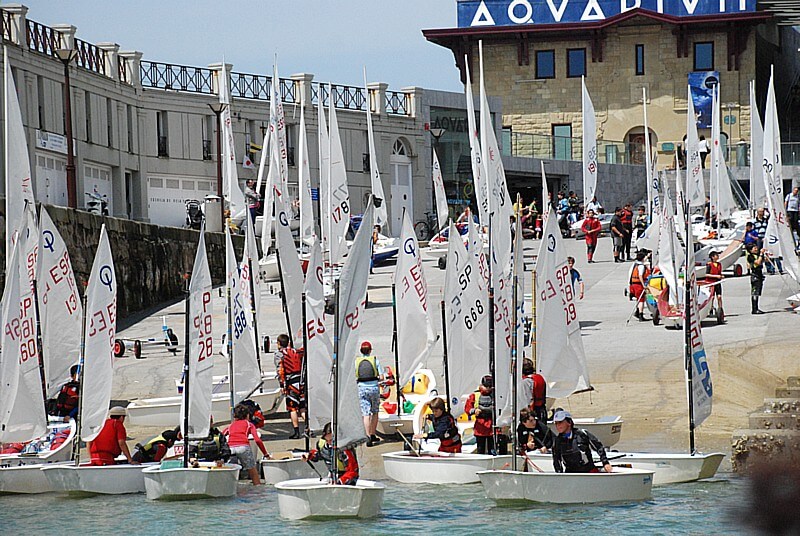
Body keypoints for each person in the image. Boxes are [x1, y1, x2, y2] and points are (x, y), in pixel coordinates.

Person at [551, 409, 612, 473]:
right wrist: (559, 475)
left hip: (589, 471)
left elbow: (599, 447)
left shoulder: (582, 434)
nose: (558, 426)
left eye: (560, 422)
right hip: (570, 474)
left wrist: (605, 463)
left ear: (569, 422)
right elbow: (557, 461)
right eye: (556, 423)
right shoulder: (557, 441)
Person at [224, 403, 270, 485]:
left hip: (230, 448)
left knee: (231, 472)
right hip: (243, 447)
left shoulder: (230, 426)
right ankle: (258, 489)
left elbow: (222, 436)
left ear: (235, 416)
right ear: (248, 415)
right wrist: (266, 454)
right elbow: (257, 440)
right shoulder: (249, 424)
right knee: (253, 471)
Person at [465, 375, 506, 455]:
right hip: (480, 426)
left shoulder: (496, 395)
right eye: (486, 386)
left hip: (492, 425)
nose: (488, 388)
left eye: (490, 386)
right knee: (480, 449)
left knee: (492, 449)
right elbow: (467, 409)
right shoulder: (475, 395)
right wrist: (474, 411)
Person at [276, 333, 306, 439]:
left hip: (291, 384)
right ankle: (309, 428)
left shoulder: (279, 354)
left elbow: (280, 371)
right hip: (301, 383)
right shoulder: (296, 351)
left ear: (279, 344)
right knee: (302, 408)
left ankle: (297, 432)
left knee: (292, 408)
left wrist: (282, 385)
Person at [356, 340, 384, 447]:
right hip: (374, 388)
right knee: (375, 412)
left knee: (365, 414)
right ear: (370, 350)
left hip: (362, 388)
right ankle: (373, 434)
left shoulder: (357, 361)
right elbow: (381, 377)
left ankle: (367, 437)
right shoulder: (375, 360)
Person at [629, 250, 651, 321]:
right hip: (639, 285)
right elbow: (640, 276)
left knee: (638, 299)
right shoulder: (641, 266)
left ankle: (637, 312)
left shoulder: (635, 264)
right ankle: (641, 315)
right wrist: (643, 285)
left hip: (633, 284)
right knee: (641, 300)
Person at [705, 250, 725, 321]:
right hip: (711, 283)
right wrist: (716, 276)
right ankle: (710, 309)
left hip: (718, 283)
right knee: (712, 297)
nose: (718, 256)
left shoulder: (719, 264)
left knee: (719, 297)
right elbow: (706, 274)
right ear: (712, 257)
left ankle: (720, 309)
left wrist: (721, 276)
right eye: (716, 255)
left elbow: (719, 273)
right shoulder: (709, 265)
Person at [747, 243, 766, 315]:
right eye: (754, 248)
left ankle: (756, 308)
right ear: (750, 250)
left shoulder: (757, 255)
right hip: (755, 275)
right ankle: (754, 309)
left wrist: (764, 254)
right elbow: (757, 262)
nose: (756, 249)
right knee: (755, 292)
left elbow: (764, 260)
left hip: (760, 274)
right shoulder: (750, 256)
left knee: (758, 292)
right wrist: (761, 254)